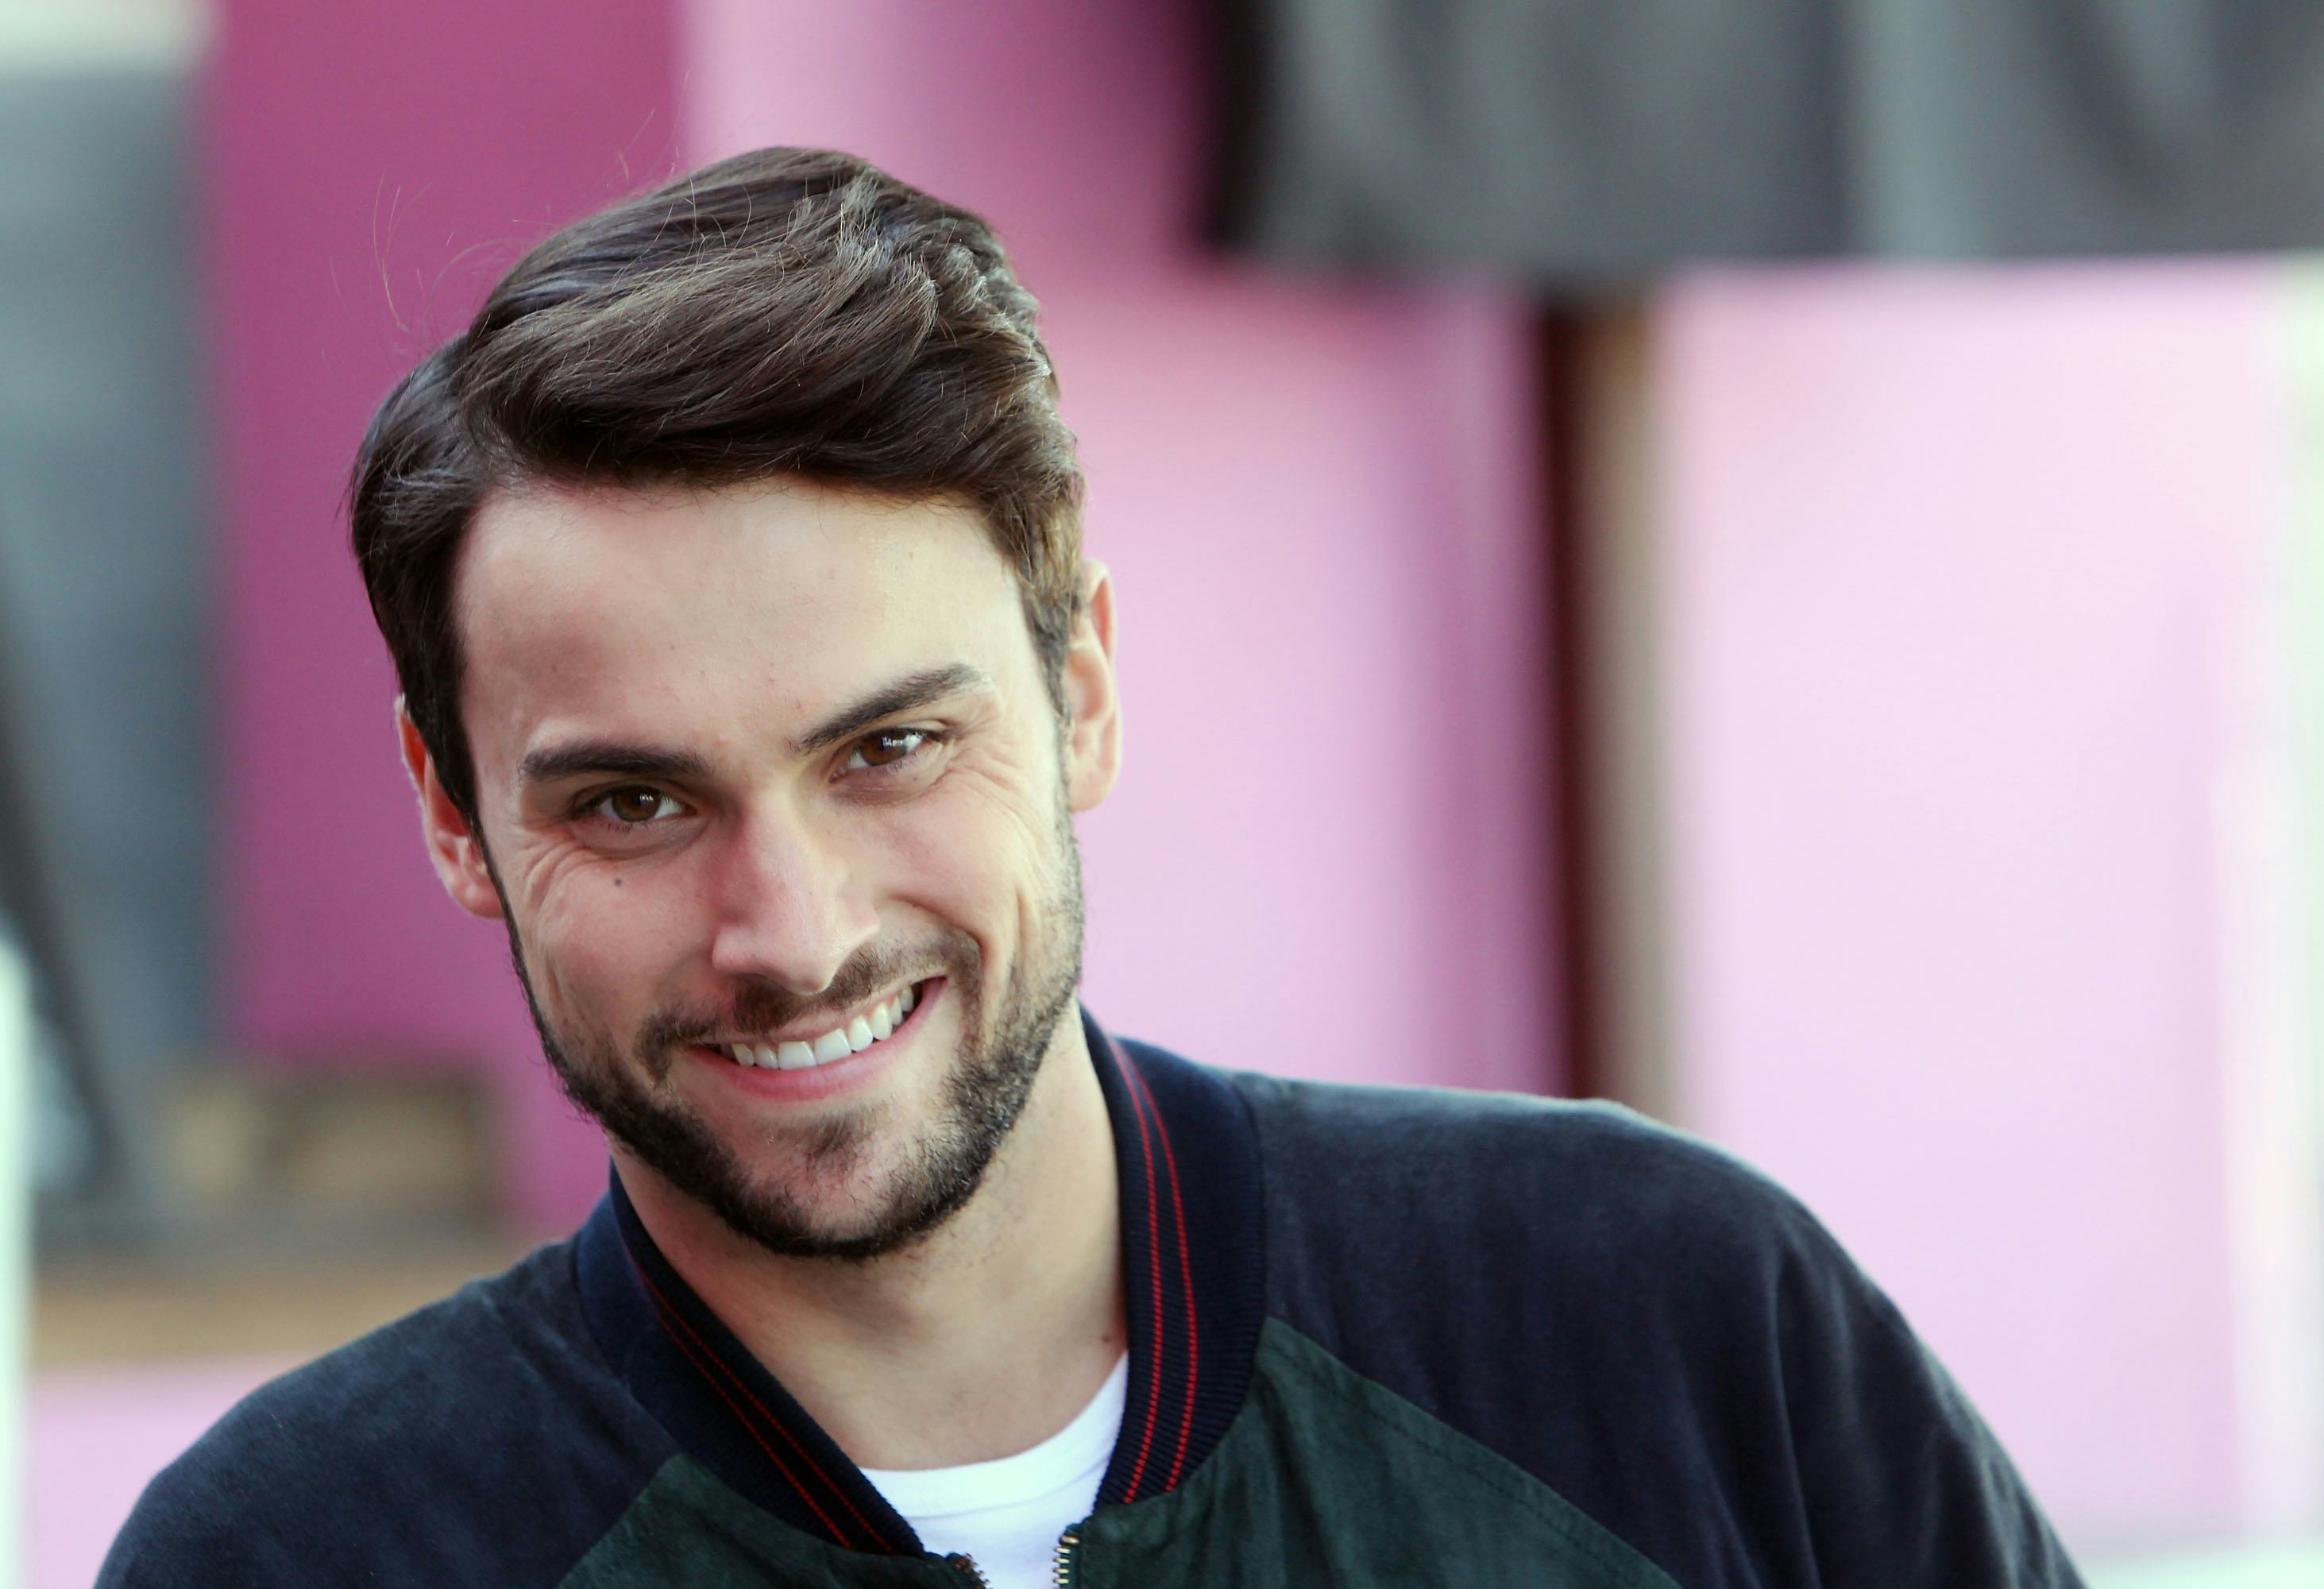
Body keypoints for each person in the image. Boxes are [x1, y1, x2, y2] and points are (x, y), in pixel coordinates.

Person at [102, 147, 2083, 1588]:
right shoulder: (302, 1552)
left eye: (888, 749)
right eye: (632, 803)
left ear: (1083, 694)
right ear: (453, 811)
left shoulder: (1662, 1326)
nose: (789, 931)